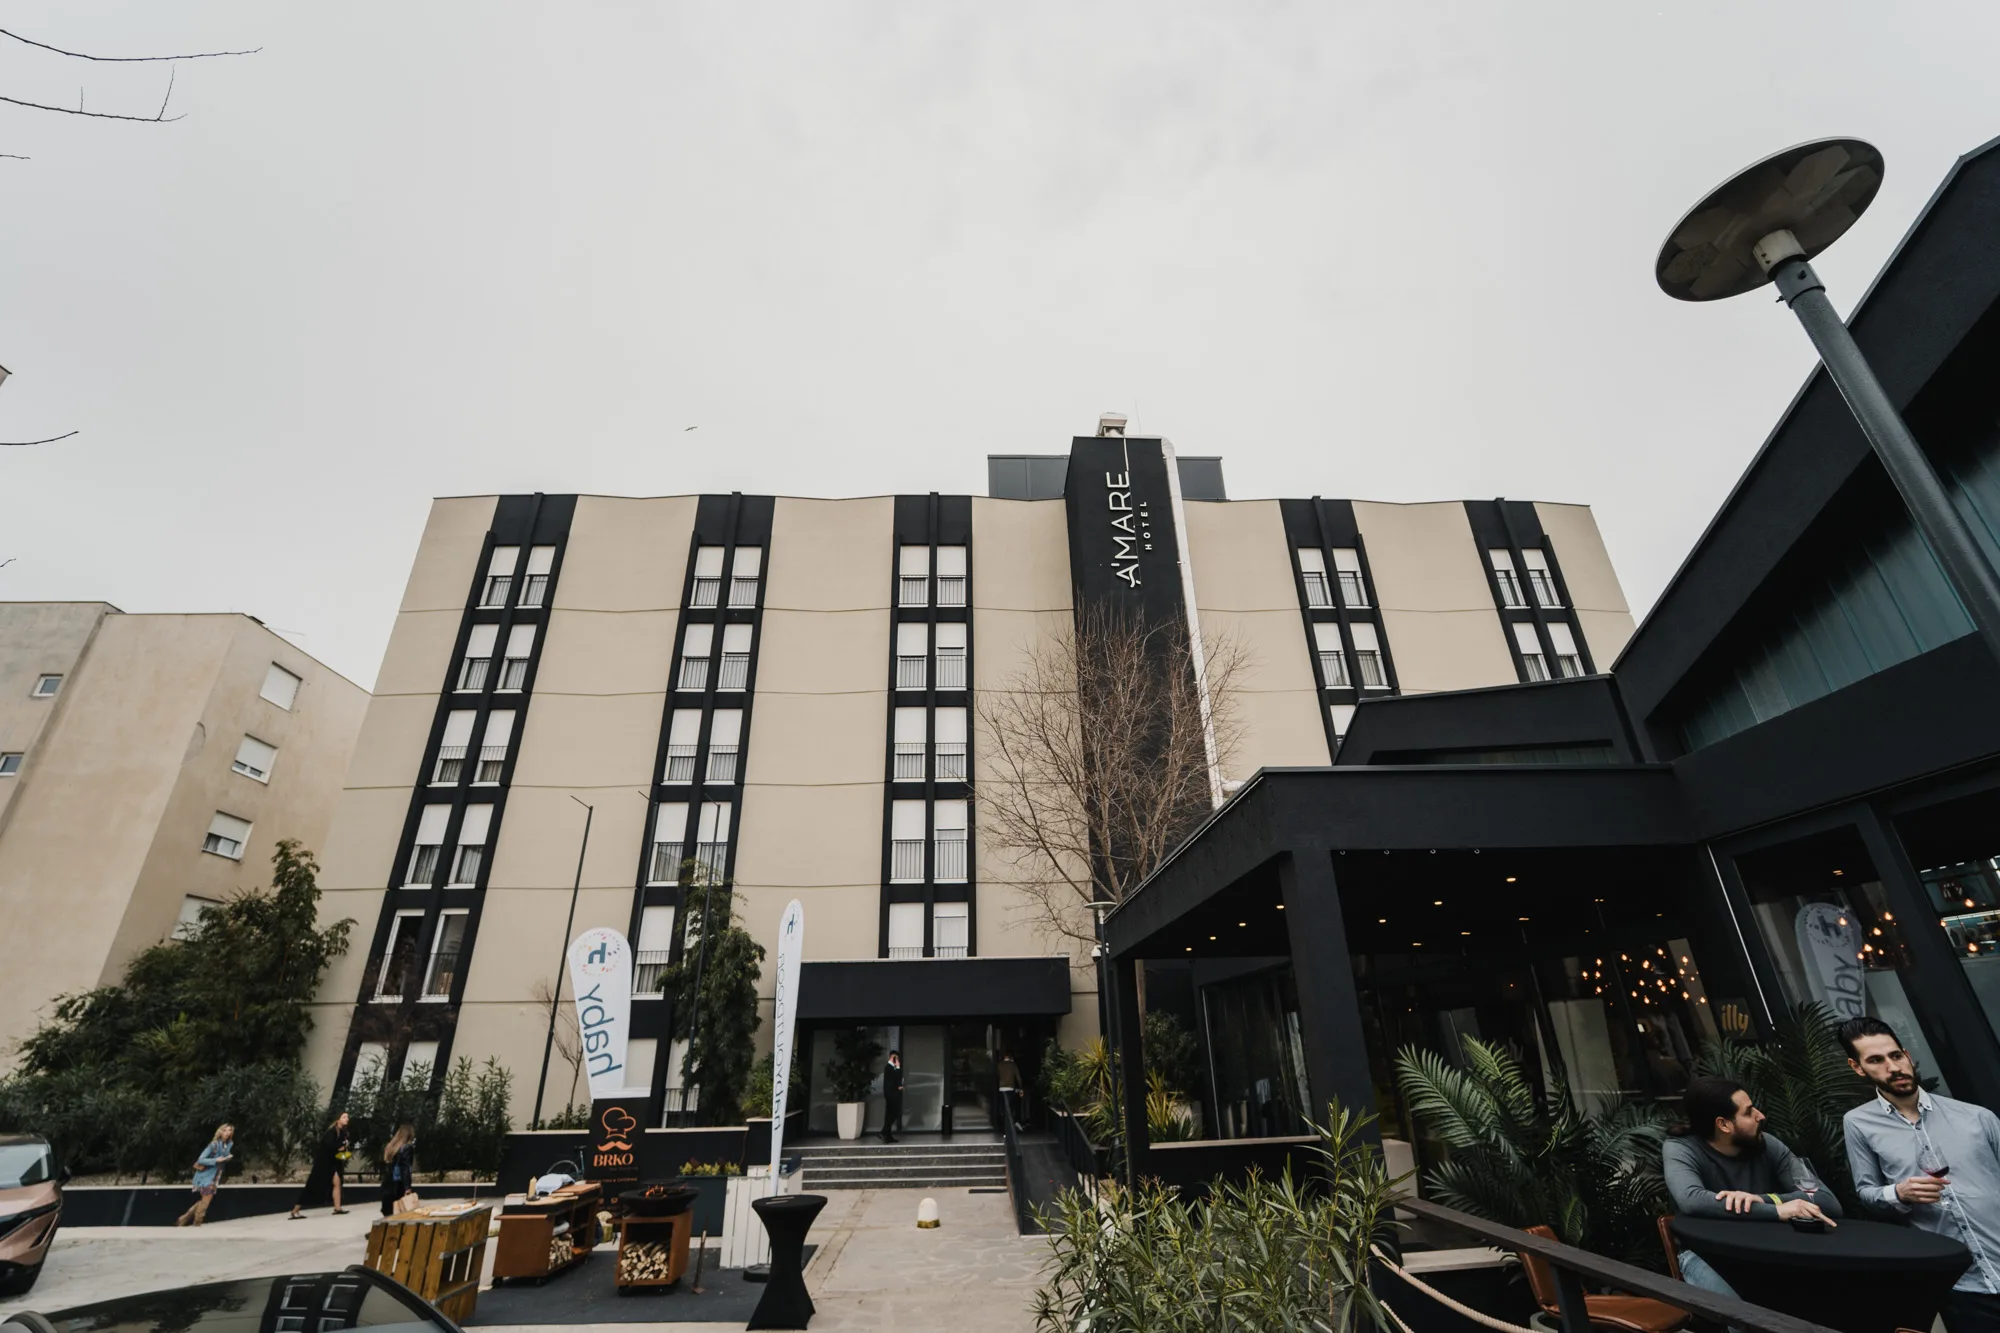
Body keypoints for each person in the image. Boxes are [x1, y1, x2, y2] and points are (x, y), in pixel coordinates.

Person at [1841, 1016, 2000, 1333]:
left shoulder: (1977, 1117)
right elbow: (1866, 1192)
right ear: (1857, 1067)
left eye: (1895, 1055)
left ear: (1907, 1055)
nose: (1893, 1067)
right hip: (1960, 1288)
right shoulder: (1858, 1123)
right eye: (1876, 1060)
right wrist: (1898, 1193)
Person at [1663, 1075, 1840, 1298]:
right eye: (1748, 1112)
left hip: (1767, 1249)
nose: (1760, 1115)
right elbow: (1692, 1200)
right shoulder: (1682, 1149)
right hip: (1706, 1255)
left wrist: (1766, 1200)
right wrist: (1777, 1211)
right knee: (1740, 1313)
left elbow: (1826, 1200)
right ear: (1723, 1124)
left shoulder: (1768, 1144)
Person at [289, 1111, 352, 1219]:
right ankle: (295, 1210)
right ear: (338, 1120)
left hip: (334, 1163)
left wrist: (343, 1147)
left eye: (347, 1117)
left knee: (337, 1183)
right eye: (344, 1117)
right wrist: (340, 1146)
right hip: (324, 1164)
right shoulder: (331, 1132)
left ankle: (337, 1208)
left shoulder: (342, 1132)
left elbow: (340, 1147)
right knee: (312, 1186)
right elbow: (328, 1146)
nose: (347, 1119)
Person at [177, 1123, 235, 1227]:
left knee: (205, 1200)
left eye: (230, 1130)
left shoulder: (227, 1145)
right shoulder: (213, 1145)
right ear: (220, 1131)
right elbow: (201, 1159)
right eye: (225, 1130)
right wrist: (216, 1160)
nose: (227, 1132)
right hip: (206, 1177)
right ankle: (197, 1223)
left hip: (215, 1177)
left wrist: (227, 1157)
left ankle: (183, 1219)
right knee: (206, 1200)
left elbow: (223, 1157)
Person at [380, 1123, 417, 1218]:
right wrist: (407, 1187)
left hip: (388, 1184)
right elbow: (405, 1168)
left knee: (389, 1212)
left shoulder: (390, 1147)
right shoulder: (406, 1147)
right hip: (399, 1184)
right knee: (401, 1213)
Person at [879, 1050, 904, 1144]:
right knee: (894, 1113)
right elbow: (897, 1077)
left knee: (890, 1114)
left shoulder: (892, 1067)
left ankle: (888, 1135)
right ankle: (883, 1131)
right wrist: (897, 1066)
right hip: (891, 1094)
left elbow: (898, 1078)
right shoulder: (889, 1067)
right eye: (894, 1058)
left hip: (892, 1093)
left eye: (896, 1058)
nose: (896, 1060)